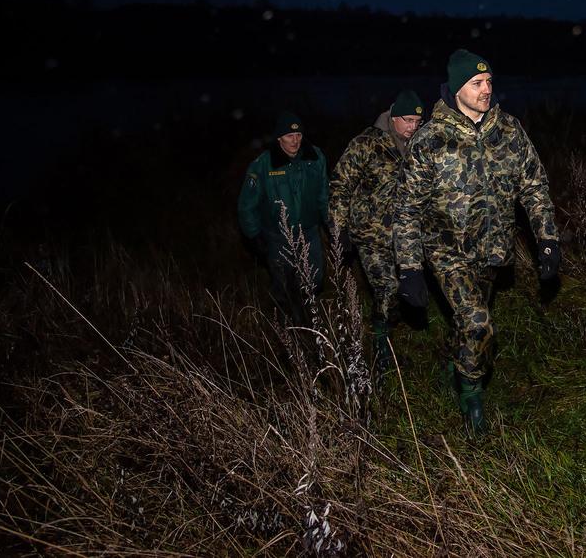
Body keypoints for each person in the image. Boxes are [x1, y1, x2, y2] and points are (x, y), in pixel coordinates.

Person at [394, 49, 561, 434]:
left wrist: (547, 240)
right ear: (456, 89)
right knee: (478, 321)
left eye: (489, 82)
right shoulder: (430, 141)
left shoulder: (509, 131)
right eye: (477, 83)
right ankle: (472, 401)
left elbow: (534, 187)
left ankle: (457, 365)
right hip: (445, 251)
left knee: (468, 324)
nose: (487, 89)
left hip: (492, 251)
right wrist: (409, 269)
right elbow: (406, 209)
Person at [330, 90, 424, 377]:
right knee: (387, 289)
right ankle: (382, 355)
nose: (413, 127)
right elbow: (339, 184)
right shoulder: (366, 144)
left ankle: (390, 337)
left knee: (406, 292)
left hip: (404, 236)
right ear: (393, 117)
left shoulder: (419, 146)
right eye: (408, 120)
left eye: (418, 122)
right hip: (370, 235)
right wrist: (338, 228)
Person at [238, 111, 329, 325]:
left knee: (314, 280)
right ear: (279, 138)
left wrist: (332, 224)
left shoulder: (315, 158)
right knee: (283, 285)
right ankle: (288, 327)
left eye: (298, 136)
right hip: (277, 235)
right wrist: (254, 235)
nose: (295, 141)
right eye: (289, 136)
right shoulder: (262, 165)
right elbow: (246, 205)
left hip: (309, 232)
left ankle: (310, 322)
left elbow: (323, 195)